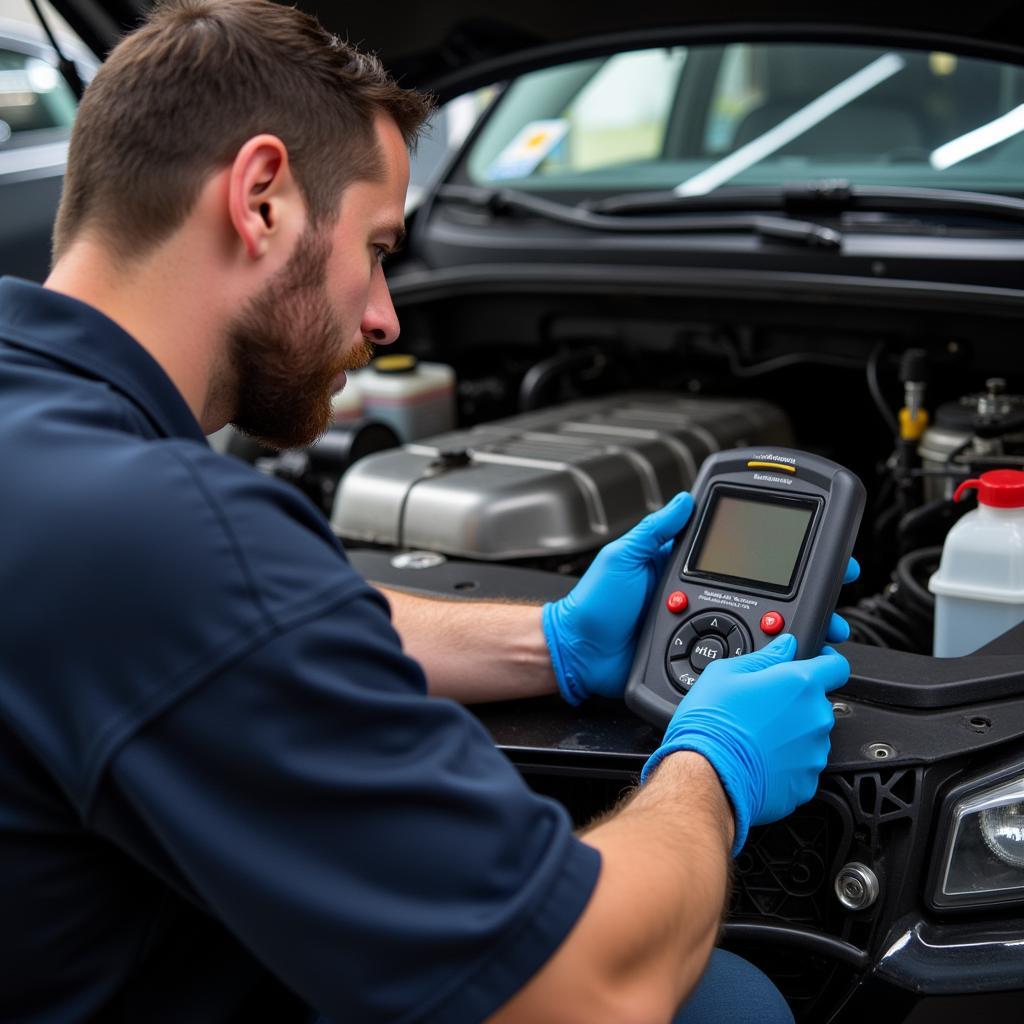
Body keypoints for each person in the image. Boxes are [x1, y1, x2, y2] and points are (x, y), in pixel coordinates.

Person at [0, 2, 856, 1021]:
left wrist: (550, 641)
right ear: (261, 198)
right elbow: (588, 990)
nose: (383, 317)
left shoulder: (50, 443)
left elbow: (237, 627)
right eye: (375, 247)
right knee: (728, 998)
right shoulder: (169, 534)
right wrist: (714, 768)